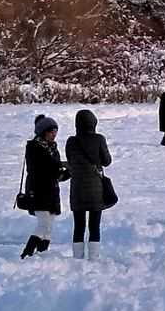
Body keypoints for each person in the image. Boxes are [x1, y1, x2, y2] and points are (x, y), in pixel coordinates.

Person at [65, 109, 112, 260]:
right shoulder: (99, 139)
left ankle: (77, 258)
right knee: (94, 225)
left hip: (77, 188)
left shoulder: (71, 141)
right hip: (96, 189)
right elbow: (107, 161)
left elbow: (71, 161)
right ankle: (93, 258)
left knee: (78, 226)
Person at [18, 115, 67, 259]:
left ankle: (41, 254)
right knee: (44, 225)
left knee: (49, 228)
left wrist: (70, 172)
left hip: (52, 192)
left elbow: (57, 174)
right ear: (43, 132)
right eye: (50, 133)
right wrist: (61, 165)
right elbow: (42, 167)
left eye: (55, 133)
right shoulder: (33, 147)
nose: (53, 136)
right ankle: (27, 254)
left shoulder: (53, 149)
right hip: (38, 191)